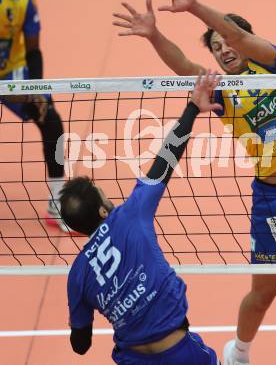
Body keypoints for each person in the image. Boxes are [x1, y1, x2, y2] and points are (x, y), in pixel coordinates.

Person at [113, 0, 276, 365]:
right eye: (216, 47)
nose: (223, 49)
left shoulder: (273, 65)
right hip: (273, 200)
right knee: (264, 293)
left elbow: (238, 35)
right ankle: (240, 352)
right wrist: (153, 34)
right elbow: (184, 64)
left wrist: (196, 7)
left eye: (227, 42)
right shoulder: (222, 90)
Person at [62, 73, 222, 364]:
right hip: (182, 354)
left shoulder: (77, 275)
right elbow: (165, 160)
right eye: (102, 193)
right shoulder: (129, 214)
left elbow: (80, 345)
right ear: (102, 210)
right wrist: (193, 108)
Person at [0, 0, 66, 230]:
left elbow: (34, 52)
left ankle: (57, 201)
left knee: (50, 120)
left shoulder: (20, 1)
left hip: (12, 72)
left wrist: (35, 90)